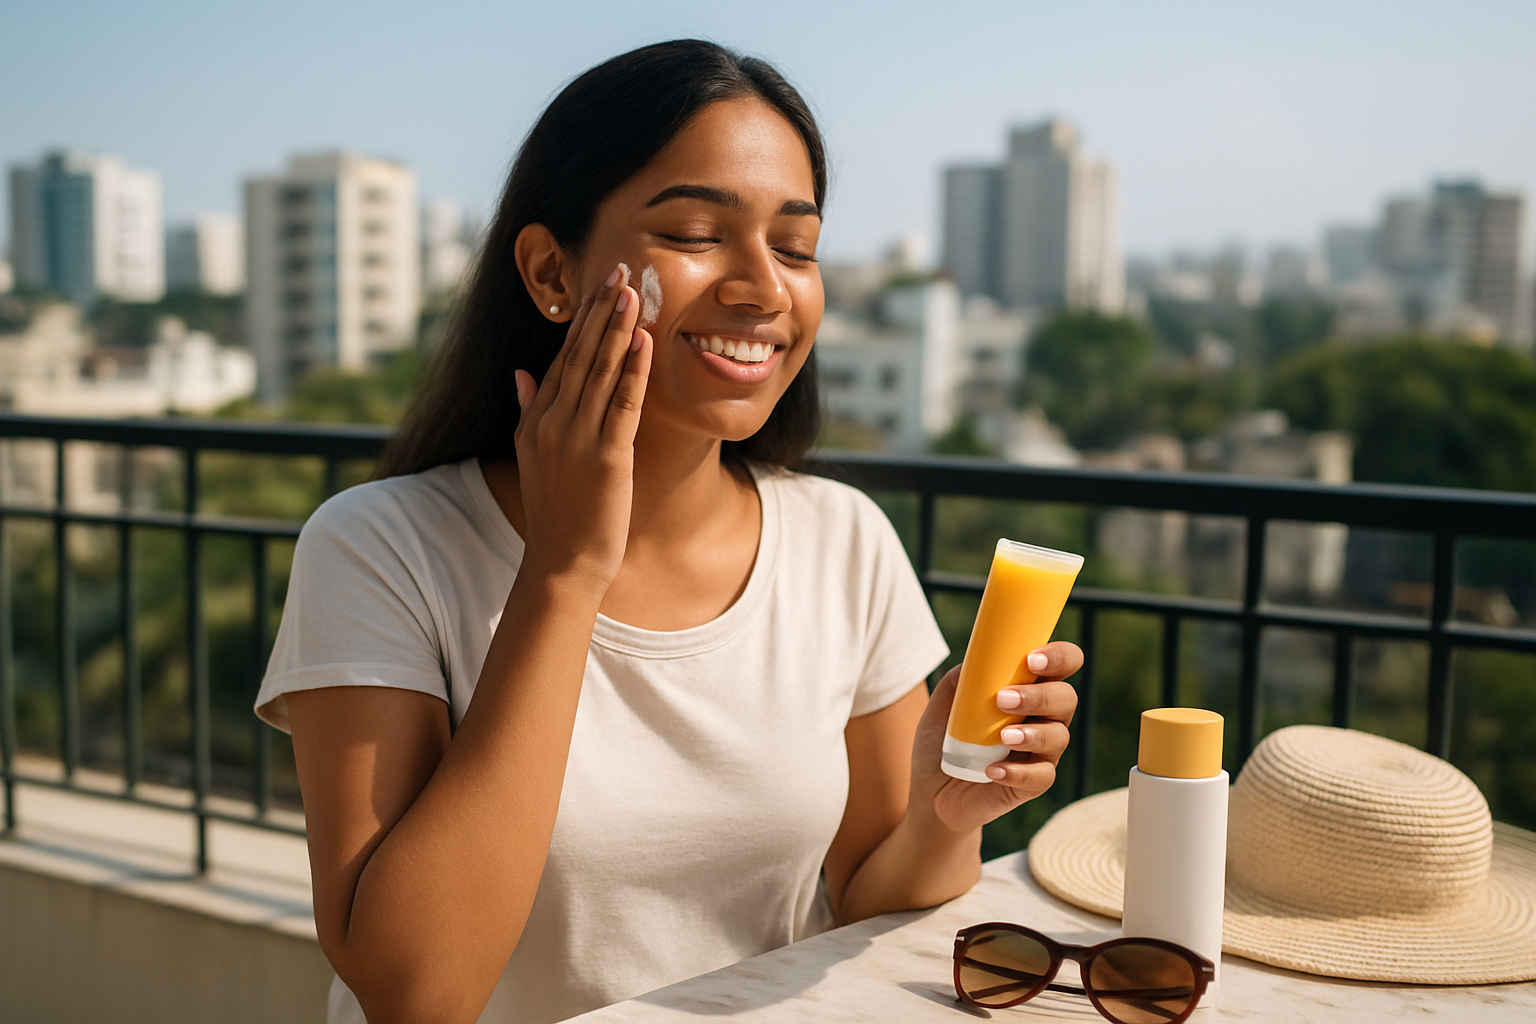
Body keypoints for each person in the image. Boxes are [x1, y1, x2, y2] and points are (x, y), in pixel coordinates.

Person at [255, 39, 1084, 1024]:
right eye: (696, 230)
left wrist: (950, 817)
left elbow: (869, 898)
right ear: (551, 271)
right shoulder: (378, 549)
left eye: (797, 245)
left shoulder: (841, 540)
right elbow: (417, 993)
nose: (764, 288)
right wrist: (564, 572)